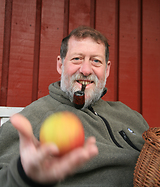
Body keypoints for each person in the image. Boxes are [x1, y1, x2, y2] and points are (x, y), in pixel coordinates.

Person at [0, 26, 149, 187]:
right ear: (60, 64)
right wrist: (24, 176)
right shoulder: (31, 119)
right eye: (77, 58)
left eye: (96, 61)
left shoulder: (130, 116)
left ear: (107, 70)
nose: (85, 70)